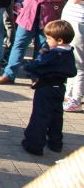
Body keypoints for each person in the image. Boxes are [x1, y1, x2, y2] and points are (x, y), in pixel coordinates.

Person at [21, 20, 77, 156]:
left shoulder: (53, 55)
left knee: (40, 116)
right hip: (59, 88)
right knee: (56, 116)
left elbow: (37, 65)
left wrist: (37, 58)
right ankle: (55, 143)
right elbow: (72, 71)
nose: (47, 40)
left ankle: (34, 145)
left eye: (49, 38)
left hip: (46, 88)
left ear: (59, 40)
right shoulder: (69, 52)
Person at [62, 0, 84, 112]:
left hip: (79, 23)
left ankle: (76, 98)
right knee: (70, 58)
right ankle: (69, 93)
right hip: (71, 20)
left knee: (78, 62)